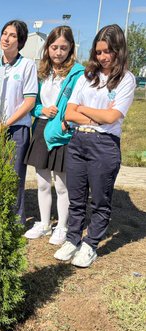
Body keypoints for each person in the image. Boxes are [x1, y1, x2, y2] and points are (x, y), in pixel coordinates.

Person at [54, 24, 135, 267]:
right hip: (78, 141)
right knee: (76, 196)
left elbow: (112, 118)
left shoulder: (126, 79)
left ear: (119, 51)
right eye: (98, 52)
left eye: (108, 51)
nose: (103, 57)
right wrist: (94, 115)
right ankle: (73, 238)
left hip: (104, 145)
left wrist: (84, 110)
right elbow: (68, 112)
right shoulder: (86, 77)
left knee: (99, 199)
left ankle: (91, 244)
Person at [23, 26, 84, 245]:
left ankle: (62, 226)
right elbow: (34, 105)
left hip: (63, 132)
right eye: (54, 47)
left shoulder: (78, 74)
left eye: (63, 48)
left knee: (61, 184)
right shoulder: (42, 73)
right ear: (47, 47)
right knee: (42, 182)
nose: (58, 52)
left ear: (70, 49)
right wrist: (42, 111)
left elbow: (80, 103)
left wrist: (67, 120)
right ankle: (44, 223)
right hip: (40, 129)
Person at [0, 20, 38, 224]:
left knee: (14, 176)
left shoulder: (27, 65)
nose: (6, 38)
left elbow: (30, 101)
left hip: (16, 128)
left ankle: (15, 221)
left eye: (12, 35)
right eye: (4, 33)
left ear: (20, 40)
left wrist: (5, 124)